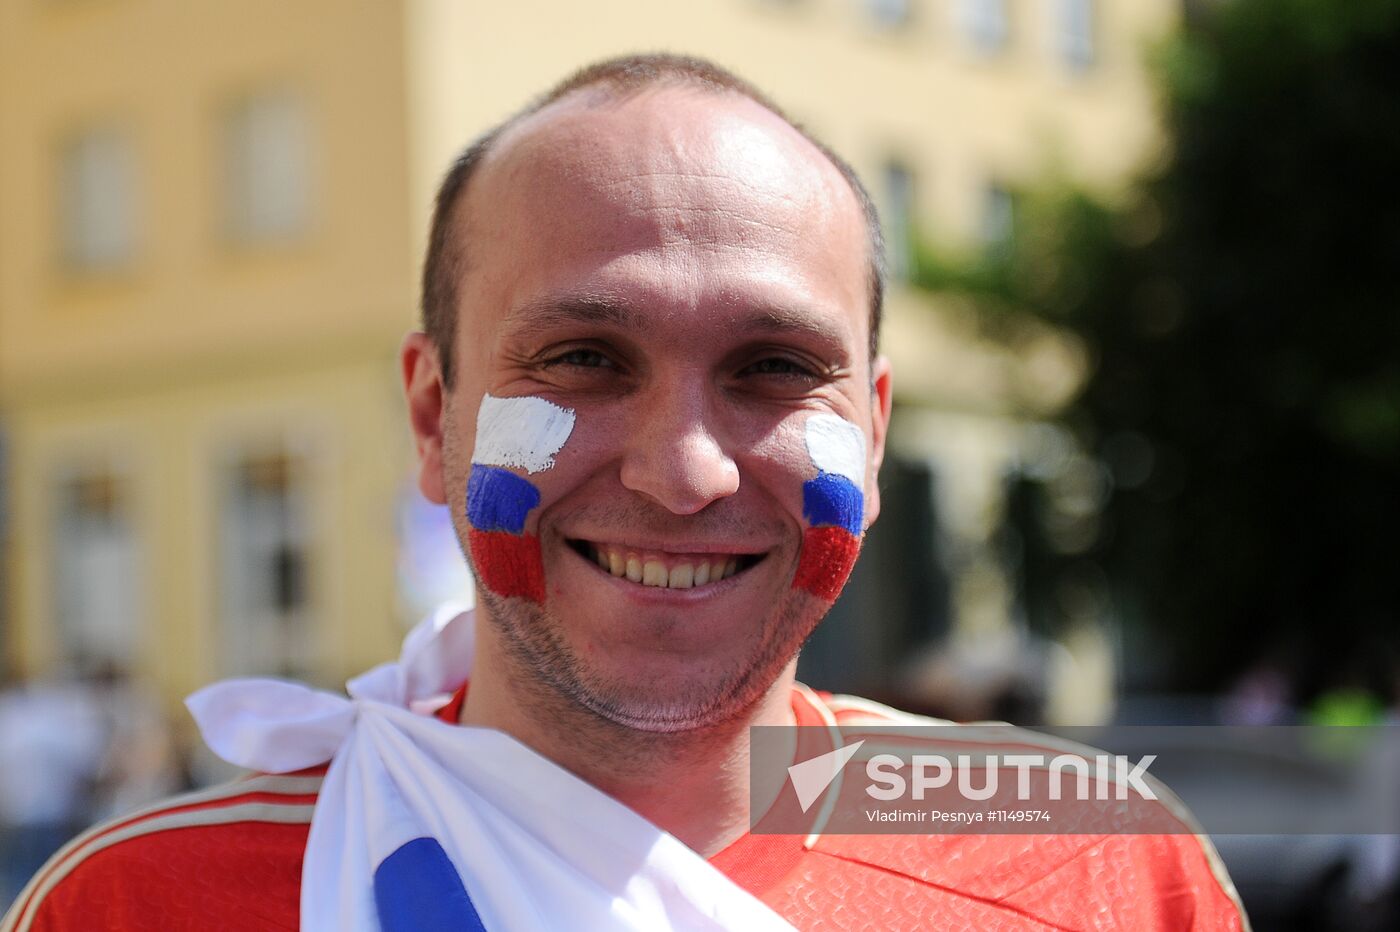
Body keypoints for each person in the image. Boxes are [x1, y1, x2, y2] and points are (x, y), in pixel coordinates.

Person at [3, 54, 1247, 931]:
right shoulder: (135, 901)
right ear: (436, 417)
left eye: (771, 368)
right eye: (585, 360)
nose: (683, 470)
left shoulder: (1088, 856)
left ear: (869, 437)